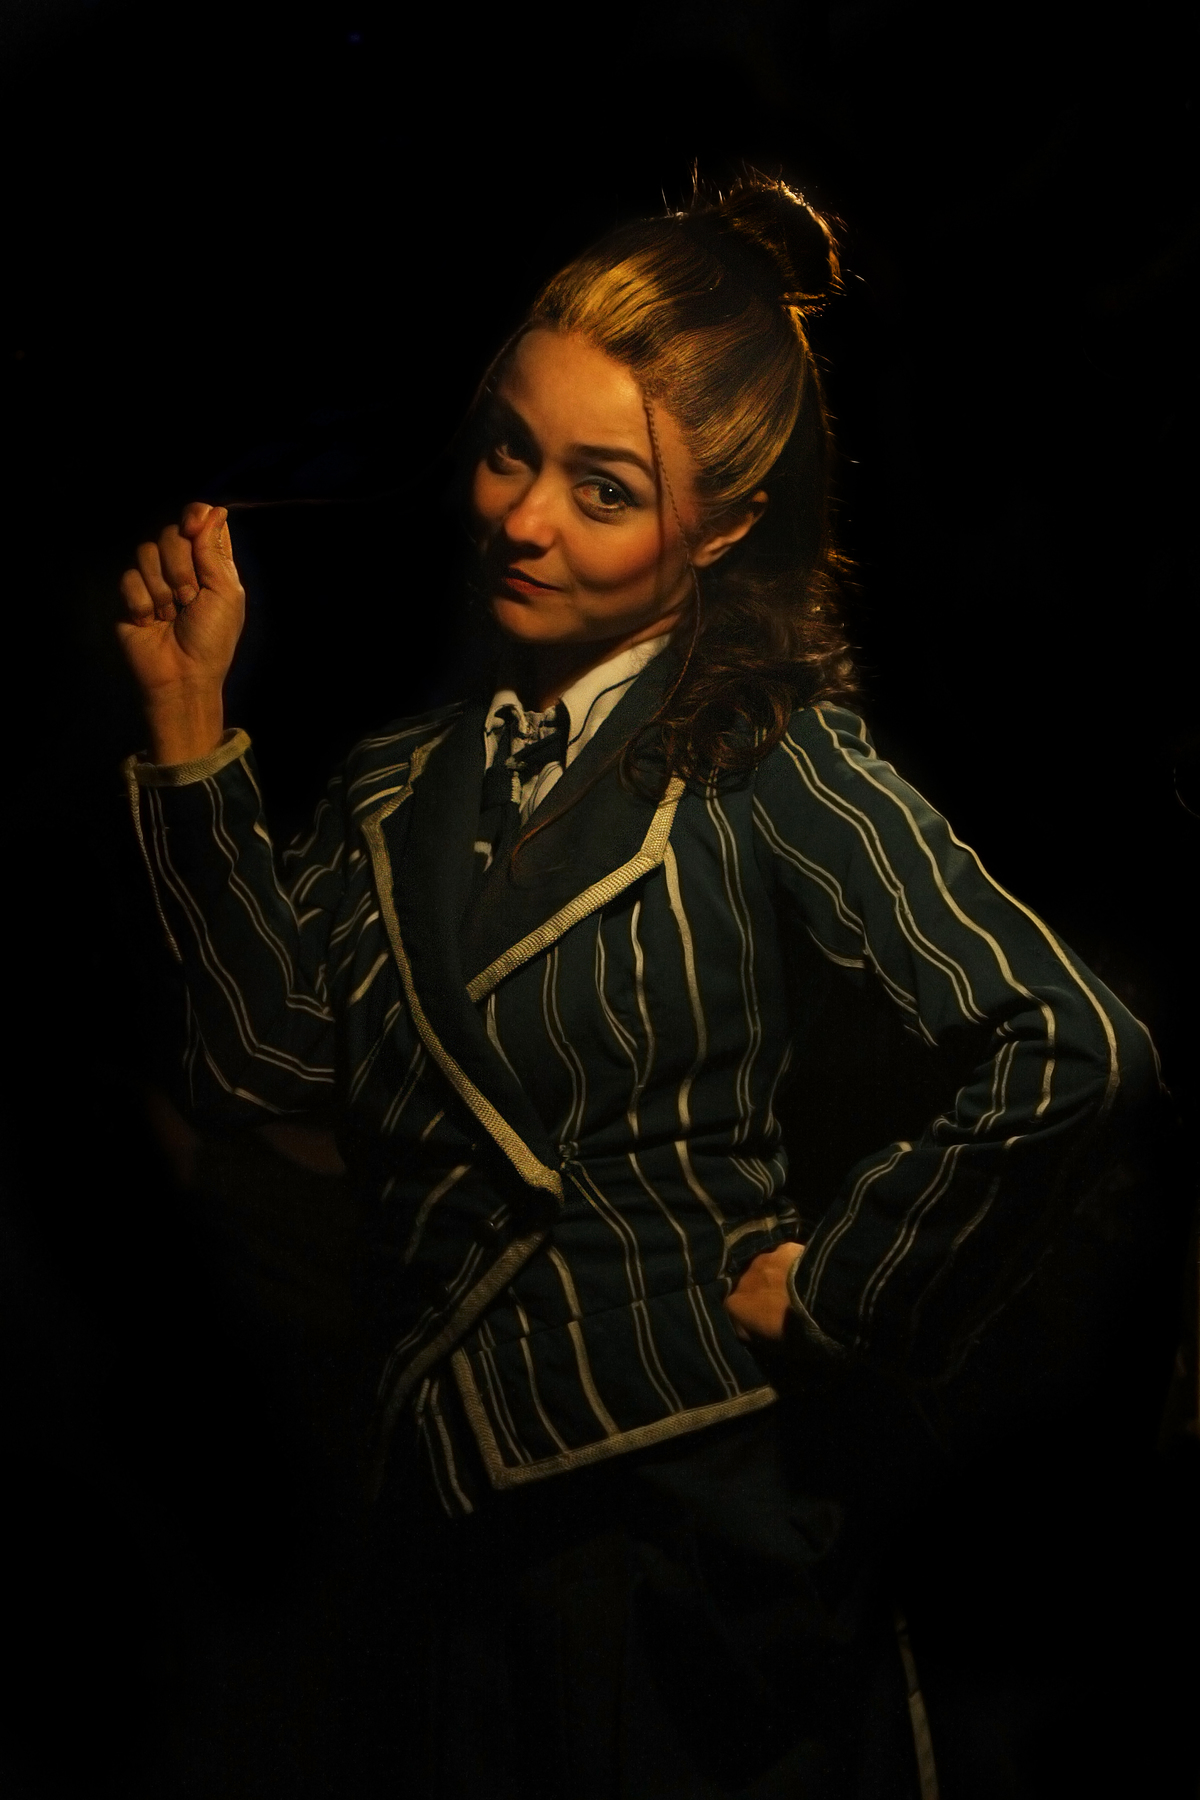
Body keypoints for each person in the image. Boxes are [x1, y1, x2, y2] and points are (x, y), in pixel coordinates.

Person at [116, 174, 1159, 1798]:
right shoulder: (397, 786)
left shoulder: (767, 756)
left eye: (603, 488)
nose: (524, 517)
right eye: (508, 451)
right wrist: (192, 735)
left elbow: (1072, 1043)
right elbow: (265, 1063)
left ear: (723, 526)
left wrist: (853, 1289)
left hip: (684, 1542)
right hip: (444, 1544)